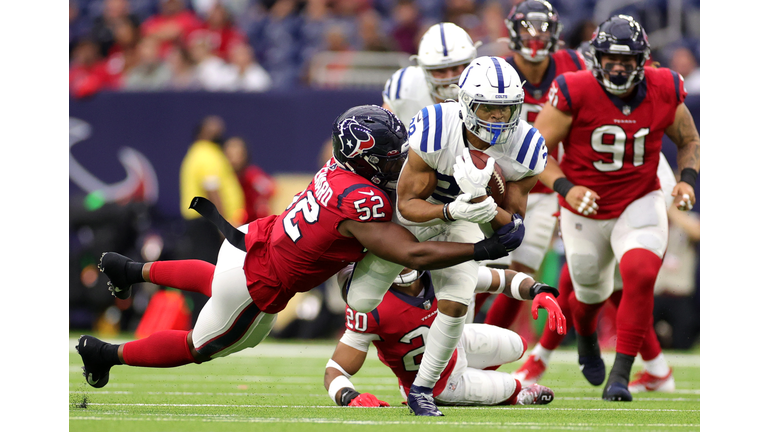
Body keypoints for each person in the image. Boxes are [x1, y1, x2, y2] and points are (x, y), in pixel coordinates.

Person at [76, 105, 525, 389]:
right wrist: (479, 250)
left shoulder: (337, 170)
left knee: (216, 278)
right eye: (390, 156)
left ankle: (130, 270)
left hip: (252, 241)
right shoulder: (360, 200)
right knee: (201, 346)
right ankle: (106, 353)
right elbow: (411, 254)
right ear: (365, 159)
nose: (398, 161)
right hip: (258, 285)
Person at [343, 56, 554, 416]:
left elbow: (513, 231)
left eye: (507, 110)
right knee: (360, 300)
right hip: (424, 211)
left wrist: (486, 207)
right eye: (489, 108)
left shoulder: (527, 146)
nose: (499, 119)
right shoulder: (436, 126)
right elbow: (408, 203)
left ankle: (422, 390)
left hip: (467, 217)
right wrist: (453, 209)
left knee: (456, 301)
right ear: (468, 104)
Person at [533, 15, 700, 401]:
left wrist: (687, 180)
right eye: (610, 58)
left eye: (627, 60)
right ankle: (588, 339)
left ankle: (621, 375)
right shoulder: (574, 89)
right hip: (585, 206)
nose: (619, 67)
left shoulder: (663, 87)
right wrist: (566, 188)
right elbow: (535, 150)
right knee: (589, 294)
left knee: (640, 274)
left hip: (639, 199)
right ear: (597, 58)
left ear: (643, 60)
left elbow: (690, 139)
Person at [480, 0, 587, 331]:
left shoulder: (574, 65)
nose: (535, 38)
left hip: (544, 188)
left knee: (520, 280)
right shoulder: (495, 71)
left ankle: (487, 362)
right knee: (482, 270)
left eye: (542, 30)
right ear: (512, 33)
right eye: (527, 29)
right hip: (498, 184)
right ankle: (449, 342)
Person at [324, 266, 564, 408]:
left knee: (517, 345)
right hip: (436, 384)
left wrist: (537, 291)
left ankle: (482, 372)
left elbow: (501, 279)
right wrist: (348, 396)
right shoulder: (372, 305)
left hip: (457, 343)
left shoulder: (442, 271)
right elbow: (335, 370)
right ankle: (513, 393)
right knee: (513, 388)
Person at [382, 22, 478, 124]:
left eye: (455, 68)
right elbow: (384, 131)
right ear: (425, 69)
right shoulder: (405, 87)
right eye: (440, 70)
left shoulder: (487, 85)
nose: (449, 77)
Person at [223, 136, 276, 222]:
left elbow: (270, 188)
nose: (233, 159)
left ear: (245, 155)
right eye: (229, 155)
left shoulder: (251, 175)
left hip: (251, 225)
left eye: (237, 155)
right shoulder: (222, 177)